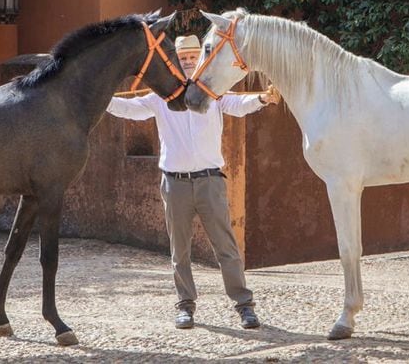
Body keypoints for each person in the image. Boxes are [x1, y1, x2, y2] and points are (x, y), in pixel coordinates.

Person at [107, 34, 280, 330]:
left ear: (200, 59)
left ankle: (244, 306)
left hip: (209, 180)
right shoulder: (161, 96)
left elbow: (237, 104)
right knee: (180, 250)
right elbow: (130, 109)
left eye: (193, 57)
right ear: (176, 60)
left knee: (226, 247)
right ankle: (185, 306)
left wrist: (263, 99)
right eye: (183, 58)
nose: (188, 63)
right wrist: (100, 98)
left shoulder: (213, 92)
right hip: (175, 183)